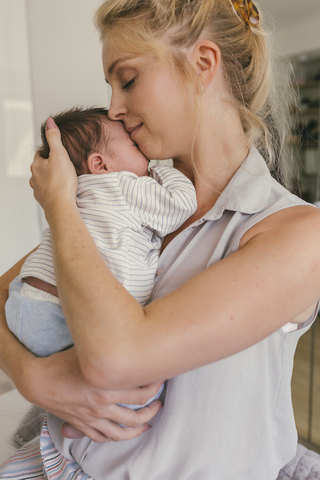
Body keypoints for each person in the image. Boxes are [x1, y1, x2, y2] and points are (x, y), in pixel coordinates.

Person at [1, 0, 320, 479]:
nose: (113, 108)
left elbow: (117, 358)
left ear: (203, 64)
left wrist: (61, 206)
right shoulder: (123, 199)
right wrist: (34, 378)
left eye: (127, 79)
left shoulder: (297, 235)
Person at [4, 105, 197, 412]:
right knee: (137, 393)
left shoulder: (74, 192)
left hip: (23, 301)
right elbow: (180, 204)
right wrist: (165, 170)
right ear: (100, 164)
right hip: (62, 317)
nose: (145, 156)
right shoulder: (127, 186)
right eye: (134, 147)